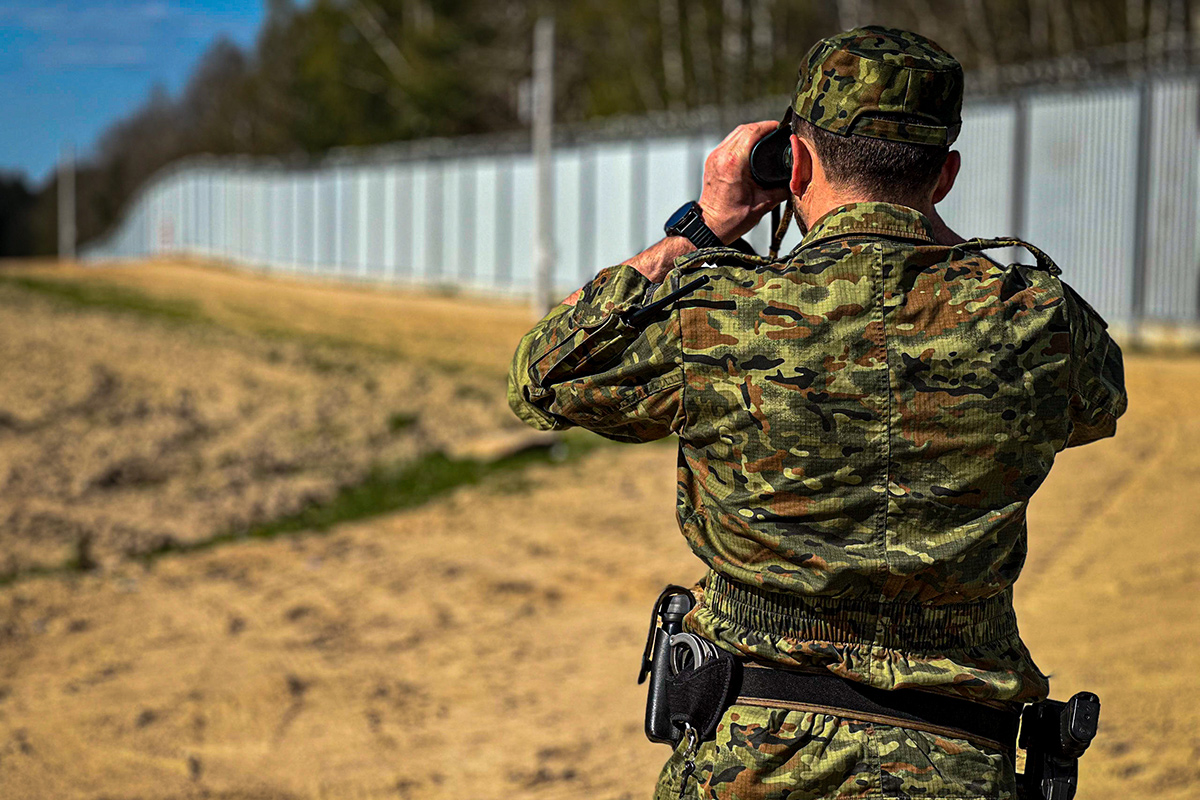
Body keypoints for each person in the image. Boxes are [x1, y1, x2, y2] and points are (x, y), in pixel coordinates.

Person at [508, 25, 1126, 800]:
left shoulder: (719, 310)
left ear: (792, 162)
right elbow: (1102, 398)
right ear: (947, 176)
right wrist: (932, 235)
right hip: (959, 763)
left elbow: (543, 374)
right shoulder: (1034, 322)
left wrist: (699, 231)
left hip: (752, 762)